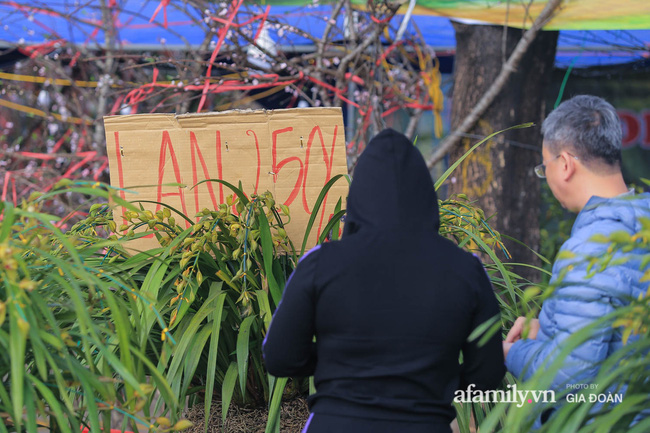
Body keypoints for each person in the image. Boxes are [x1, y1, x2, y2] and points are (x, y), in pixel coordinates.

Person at [263, 129, 505, 433]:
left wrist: (335, 362)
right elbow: (487, 374)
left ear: (359, 196)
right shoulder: (466, 269)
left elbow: (279, 357)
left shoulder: (320, 263)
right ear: (425, 195)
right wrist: (435, 374)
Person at [504, 95, 650, 420]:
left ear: (566, 164)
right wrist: (547, 334)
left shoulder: (592, 245)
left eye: (546, 167)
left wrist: (513, 353)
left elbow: (570, 376)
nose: (547, 176)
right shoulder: (642, 224)